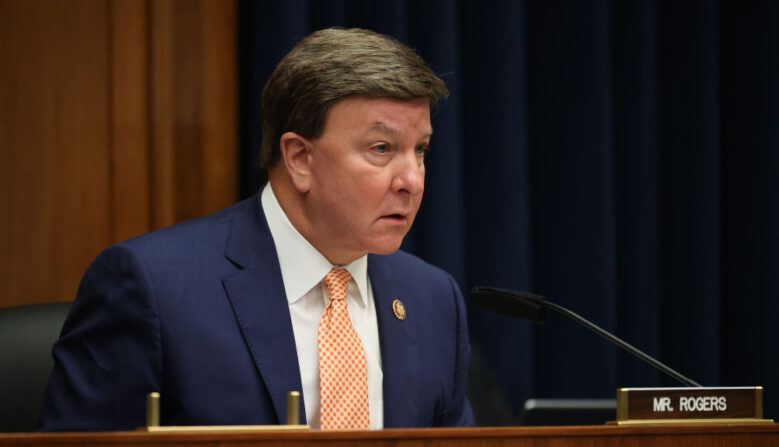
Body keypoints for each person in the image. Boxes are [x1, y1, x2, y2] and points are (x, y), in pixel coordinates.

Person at [39, 27, 474, 431]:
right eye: (382, 149)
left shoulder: (432, 298)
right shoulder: (152, 289)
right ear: (300, 158)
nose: (412, 180)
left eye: (419, 150)